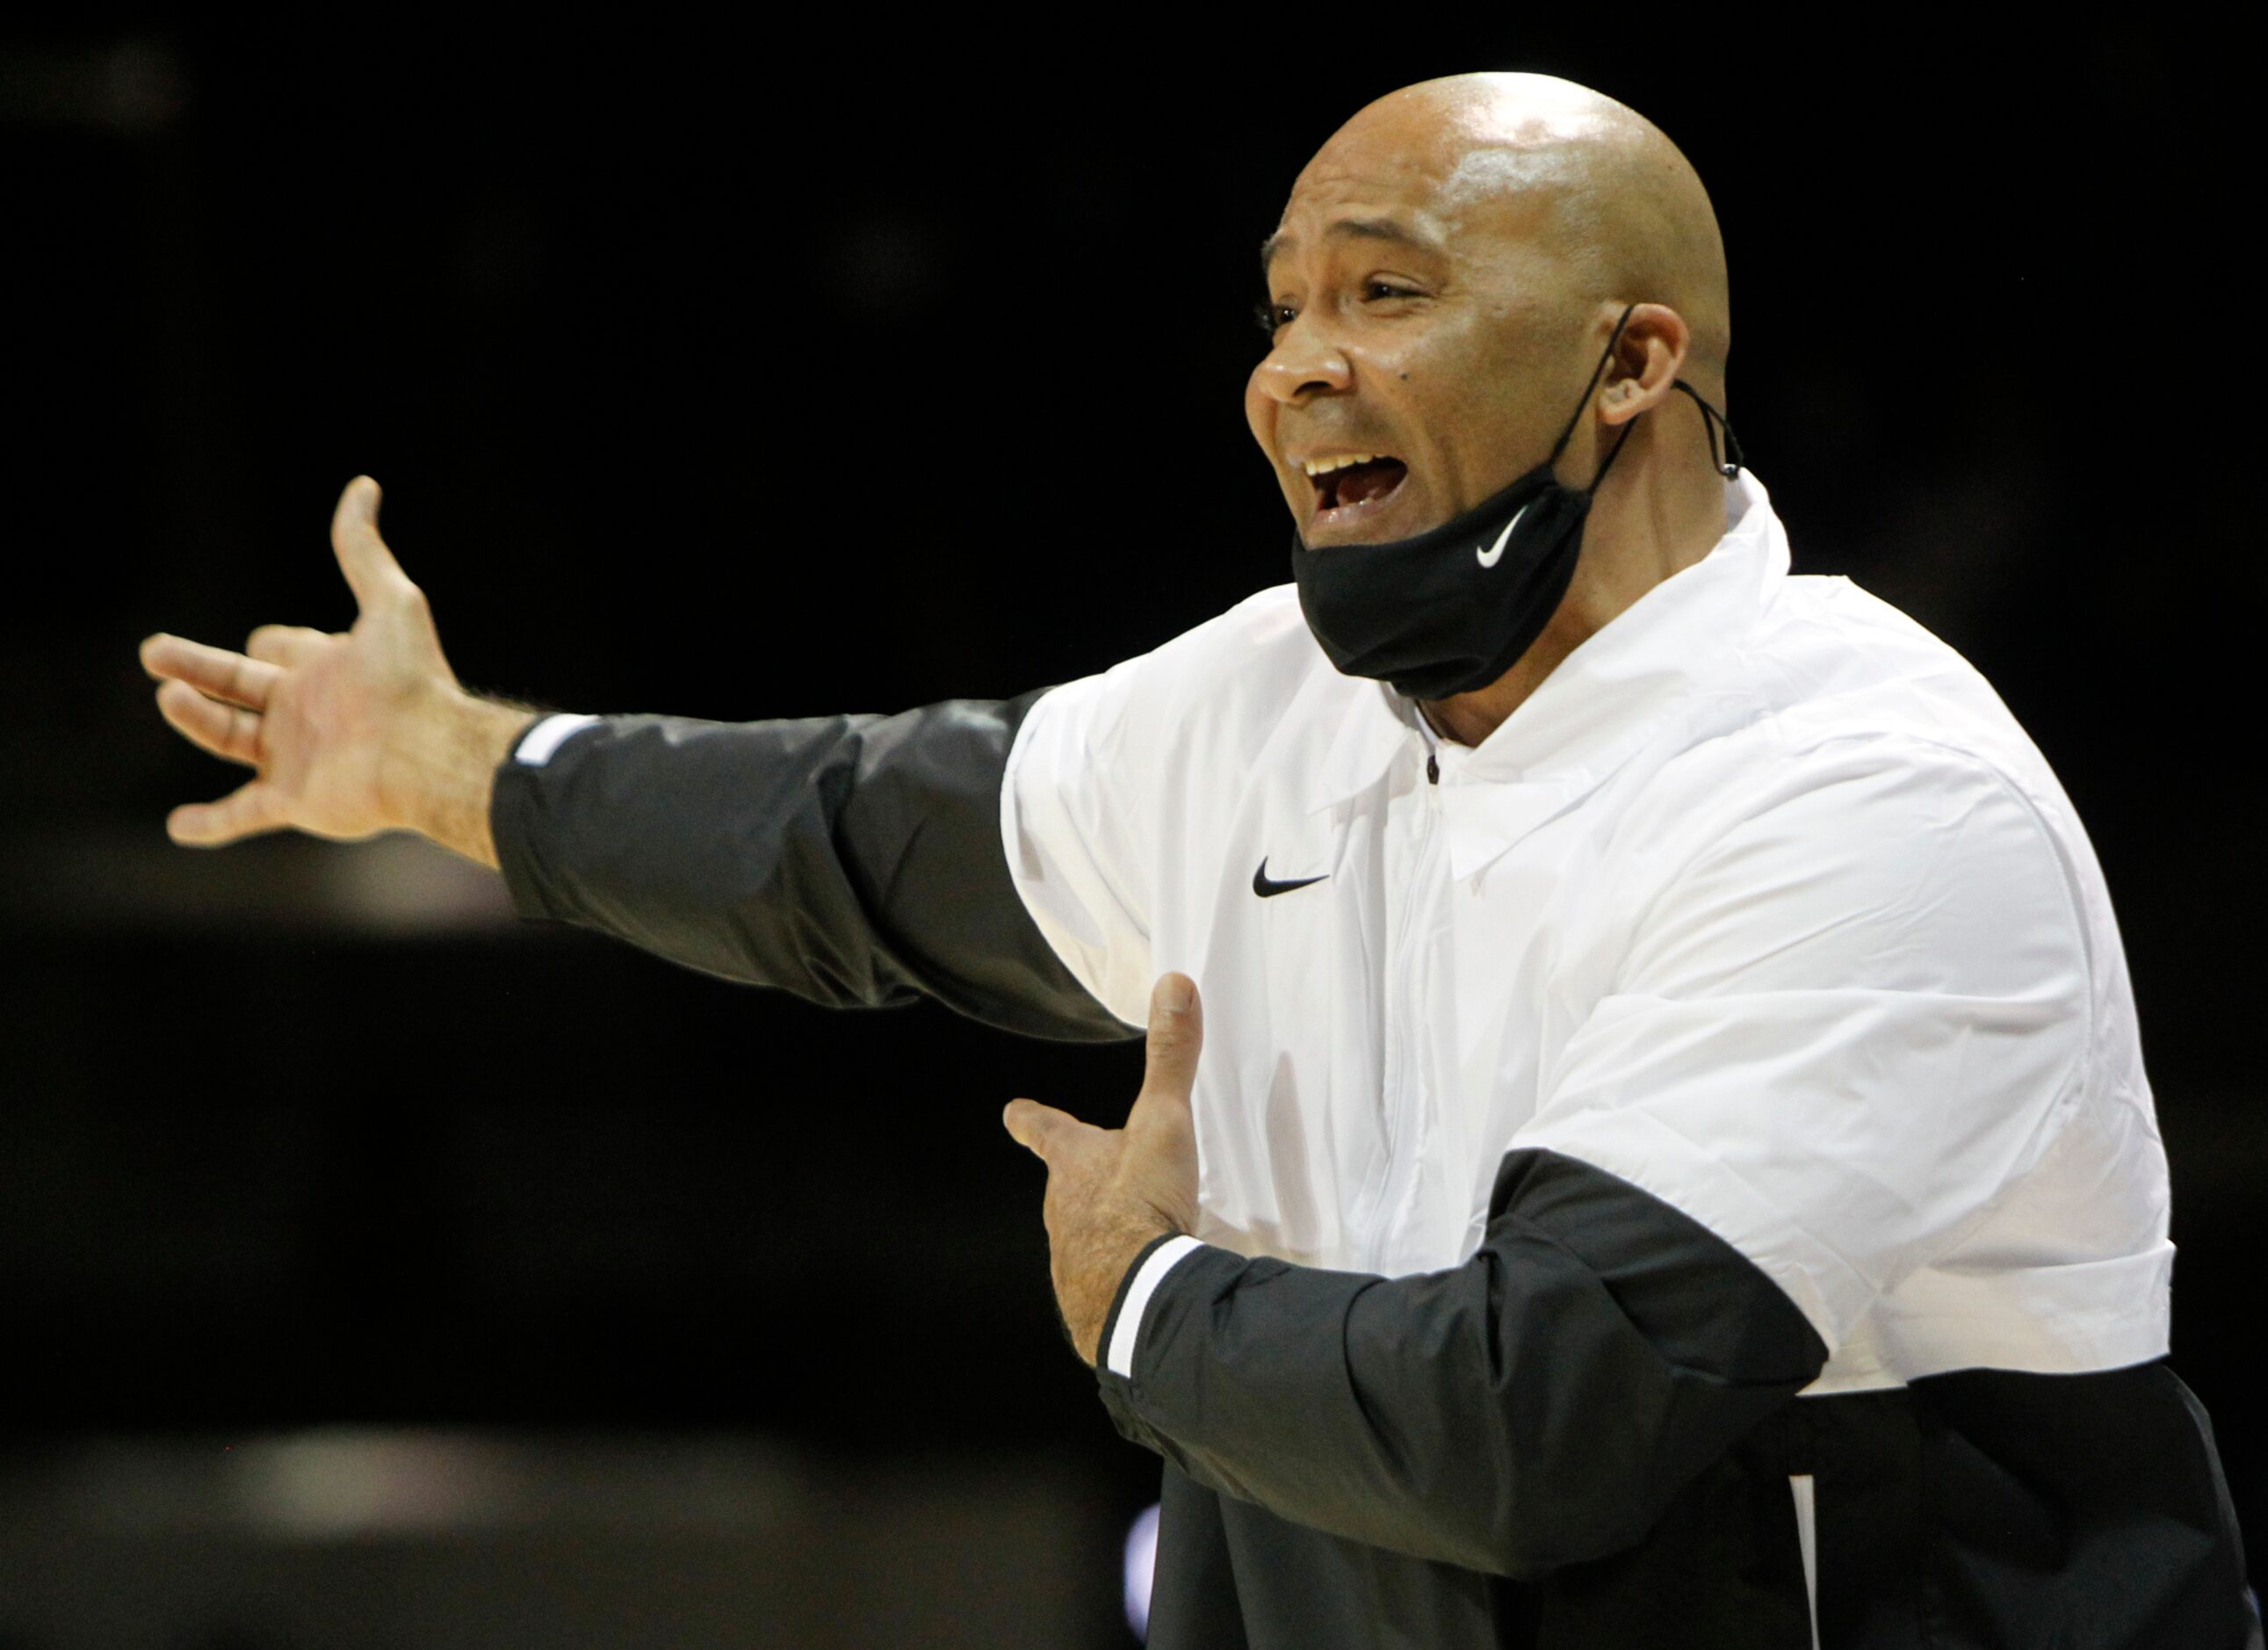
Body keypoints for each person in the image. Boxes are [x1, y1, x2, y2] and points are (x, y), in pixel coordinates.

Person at [138, 71, 2257, 1650]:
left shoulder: (1862, 790)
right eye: (1280, 308)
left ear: (1637, 360)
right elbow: (841, 834)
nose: (1294, 367)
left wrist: (1145, 1305)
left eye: (1388, 291)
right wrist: (446, 763)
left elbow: (1535, 1433)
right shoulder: (1268, 709)